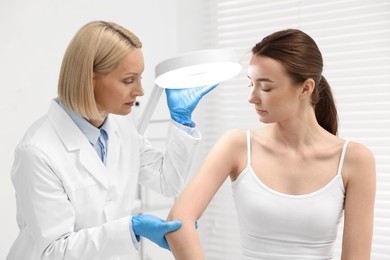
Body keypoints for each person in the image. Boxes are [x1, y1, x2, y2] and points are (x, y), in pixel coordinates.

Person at [7, 21, 218, 260]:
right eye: (129, 80)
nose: (140, 91)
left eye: (140, 78)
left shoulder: (121, 126)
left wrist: (182, 122)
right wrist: (132, 229)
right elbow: (54, 252)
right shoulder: (37, 152)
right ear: (89, 79)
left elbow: (166, 181)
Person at [165, 29, 376, 260]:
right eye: (251, 84)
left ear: (306, 88)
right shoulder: (237, 146)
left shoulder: (354, 159)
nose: (252, 97)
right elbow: (178, 220)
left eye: (265, 87)